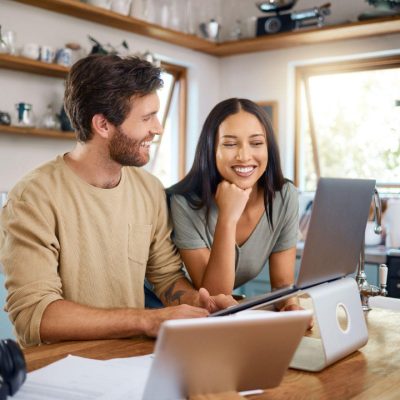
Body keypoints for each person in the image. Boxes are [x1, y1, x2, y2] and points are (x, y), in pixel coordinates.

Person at [0, 54, 234, 347]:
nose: (158, 128)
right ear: (103, 125)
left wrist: (199, 305)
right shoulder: (32, 198)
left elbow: (166, 277)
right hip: (58, 371)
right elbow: (35, 316)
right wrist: (146, 320)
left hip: (129, 361)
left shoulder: (149, 189)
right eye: (147, 117)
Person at [168, 98, 300, 309]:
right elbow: (213, 297)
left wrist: (290, 306)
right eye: (229, 144)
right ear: (211, 149)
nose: (244, 156)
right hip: (164, 309)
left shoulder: (284, 196)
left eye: (256, 143)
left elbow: (283, 285)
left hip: (213, 318)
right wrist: (228, 218)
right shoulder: (183, 202)